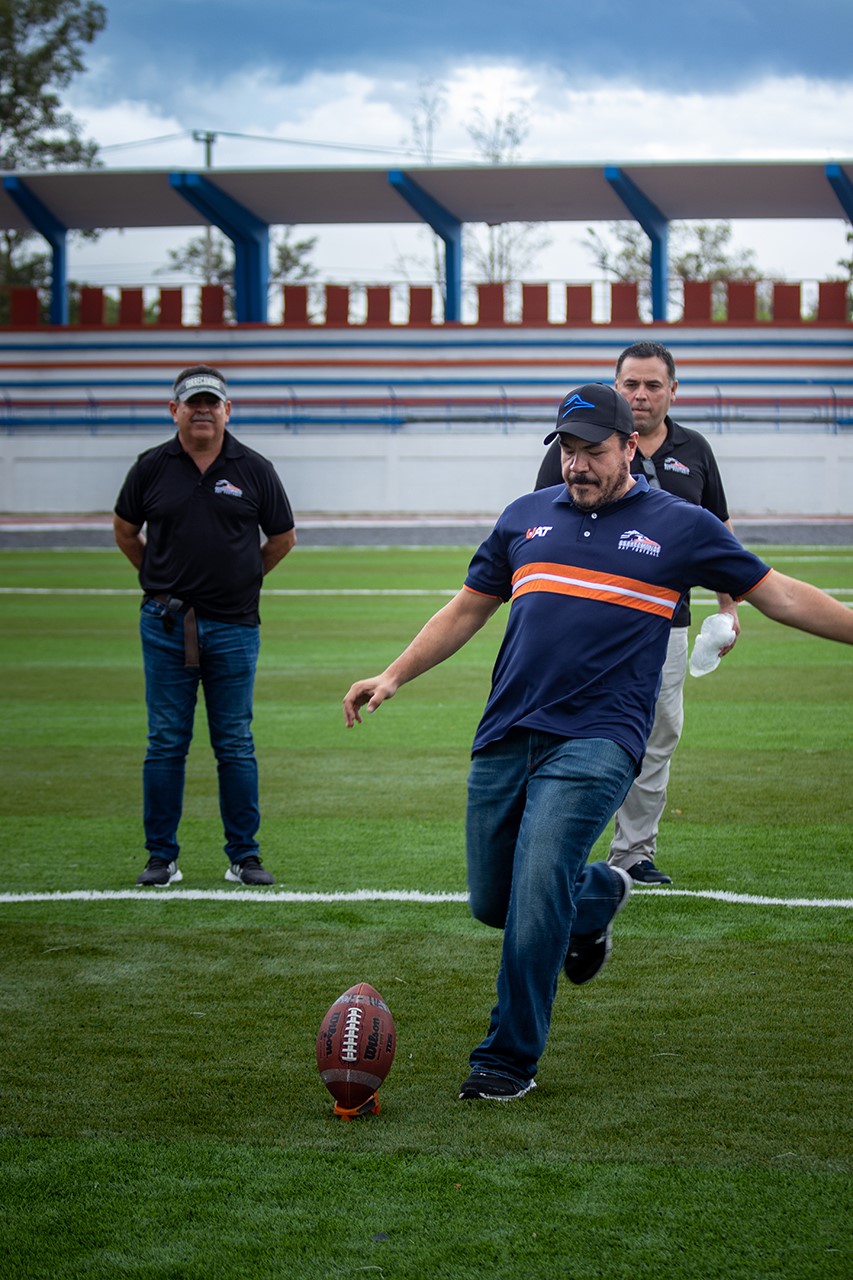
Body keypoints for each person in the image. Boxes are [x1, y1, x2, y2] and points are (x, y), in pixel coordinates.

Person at [342, 383, 853, 1102]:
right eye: (568, 451)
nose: (577, 465)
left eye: (593, 451)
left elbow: (778, 594)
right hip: (505, 732)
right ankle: (598, 892)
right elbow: (465, 608)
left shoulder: (681, 525)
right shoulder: (524, 518)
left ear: (630, 448)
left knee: (535, 889)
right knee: (496, 900)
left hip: (598, 739)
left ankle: (506, 1059)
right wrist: (393, 674)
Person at [535, 341, 737, 885]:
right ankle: (556, 848)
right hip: (584, 626)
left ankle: (632, 854)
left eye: (653, 385)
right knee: (570, 733)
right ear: (616, 386)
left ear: (673, 390)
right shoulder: (573, 451)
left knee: (657, 735)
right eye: (631, 384)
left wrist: (727, 605)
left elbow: (719, 533)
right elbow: (539, 534)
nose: (641, 395)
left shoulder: (694, 449)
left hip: (664, 625)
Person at [114, 364, 297, 887]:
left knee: (235, 741)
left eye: (211, 403)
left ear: (227, 411)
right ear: (174, 410)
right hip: (165, 624)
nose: (201, 410)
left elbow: (283, 538)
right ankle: (160, 857)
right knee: (165, 741)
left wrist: (239, 580)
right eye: (191, 402)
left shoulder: (254, 468)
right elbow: (126, 532)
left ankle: (244, 856)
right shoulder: (151, 468)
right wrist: (160, 581)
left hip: (235, 625)